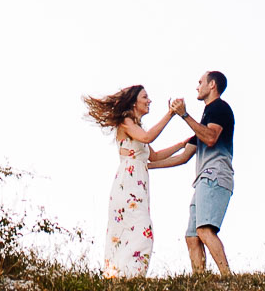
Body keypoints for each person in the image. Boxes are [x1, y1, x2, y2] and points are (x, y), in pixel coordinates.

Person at [83, 84, 199, 277]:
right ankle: (126, 276)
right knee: (141, 230)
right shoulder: (125, 122)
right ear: (134, 102)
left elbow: (154, 156)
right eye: (145, 97)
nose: (149, 100)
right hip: (127, 183)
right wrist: (170, 114)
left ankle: (122, 277)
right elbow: (147, 138)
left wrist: (182, 144)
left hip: (138, 185)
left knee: (134, 230)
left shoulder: (136, 127)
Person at [170, 71, 235, 276]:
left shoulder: (219, 108)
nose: (197, 87)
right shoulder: (205, 118)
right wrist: (145, 165)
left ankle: (227, 277)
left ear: (212, 85)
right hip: (202, 180)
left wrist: (184, 115)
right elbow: (183, 156)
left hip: (214, 175)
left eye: (200, 82)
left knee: (205, 230)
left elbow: (210, 138)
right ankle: (201, 280)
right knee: (192, 235)